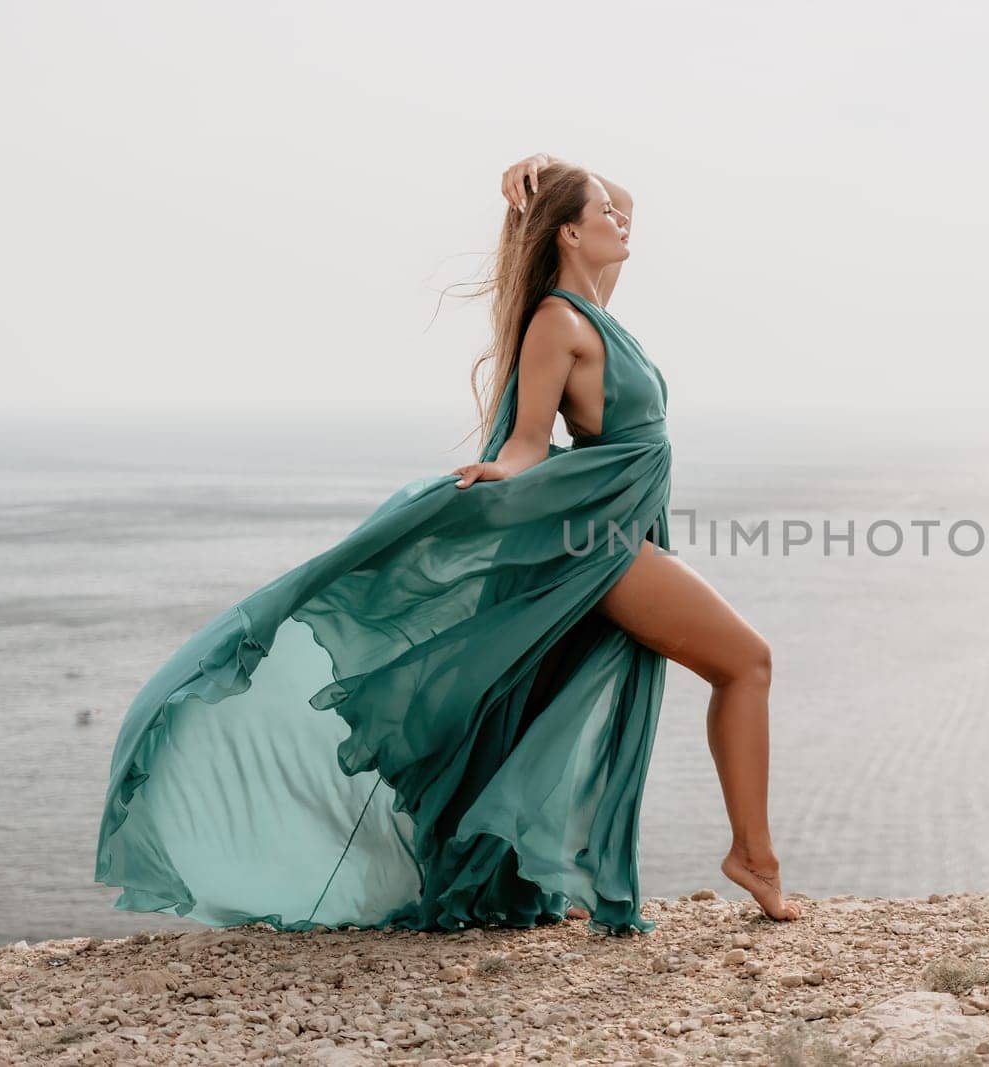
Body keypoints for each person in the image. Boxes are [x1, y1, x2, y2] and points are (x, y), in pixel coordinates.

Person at [93, 152, 800, 938]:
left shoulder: (594, 302)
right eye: (601, 213)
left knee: (700, 672)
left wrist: (549, 164)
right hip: (592, 538)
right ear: (569, 232)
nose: (622, 220)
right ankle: (753, 855)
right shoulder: (557, 322)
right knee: (747, 660)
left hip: (621, 525)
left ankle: (729, 852)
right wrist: (498, 473)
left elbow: (622, 198)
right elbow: (531, 439)